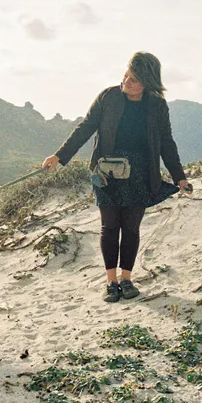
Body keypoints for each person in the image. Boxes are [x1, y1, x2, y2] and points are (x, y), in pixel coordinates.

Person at [42, 52, 192, 303]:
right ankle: (111, 281)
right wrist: (59, 156)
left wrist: (180, 177)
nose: (126, 81)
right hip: (106, 171)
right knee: (110, 226)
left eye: (134, 79)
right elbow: (85, 128)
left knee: (131, 228)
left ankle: (127, 278)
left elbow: (166, 142)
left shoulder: (156, 105)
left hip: (141, 172)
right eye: (126, 75)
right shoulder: (108, 97)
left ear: (147, 82)